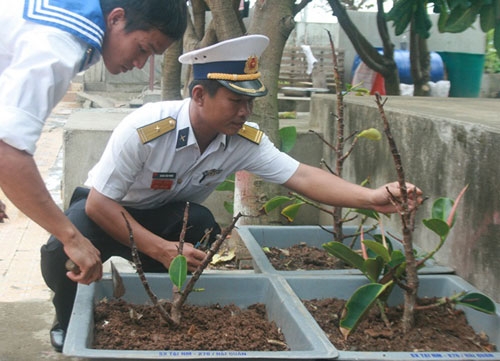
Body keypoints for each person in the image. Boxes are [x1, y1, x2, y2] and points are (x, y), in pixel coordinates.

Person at [40, 34, 423, 351]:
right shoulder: (146, 128)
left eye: (249, 102)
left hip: (163, 213)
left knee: (202, 225)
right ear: (200, 94)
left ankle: (162, 308)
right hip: (105, 209)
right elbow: (98, 202)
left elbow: (302, 176)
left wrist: (371, 197)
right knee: (60, 251)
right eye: (235, 101)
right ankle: (67, 317)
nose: (244, 112)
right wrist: (159, 247)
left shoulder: (241, 140)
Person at [0, 0, 187, 352]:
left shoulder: (65, 23)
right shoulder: (58, 43)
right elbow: (9, 153)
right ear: (116, 18)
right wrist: (70, 236)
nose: (139, 63)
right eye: (142, 49)